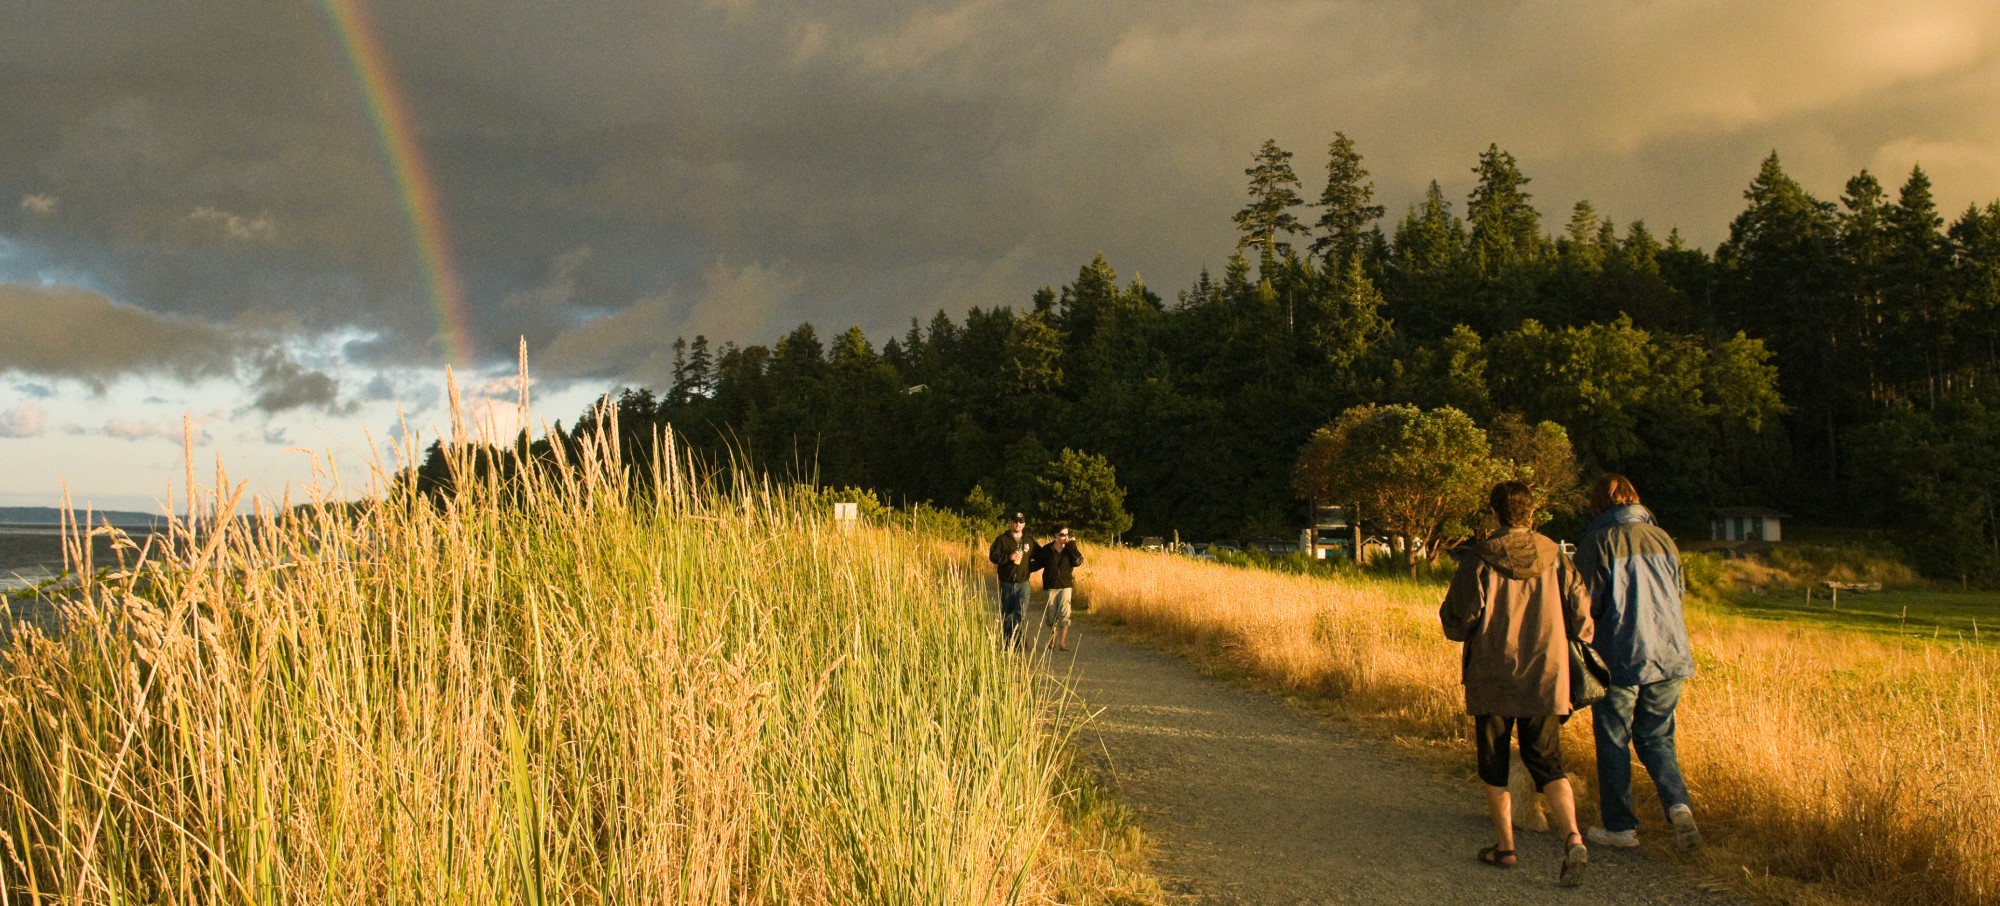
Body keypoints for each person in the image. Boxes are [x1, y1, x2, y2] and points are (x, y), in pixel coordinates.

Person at [1439, 481, 1594, 885]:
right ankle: (1573, 837)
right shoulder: (1557, 556)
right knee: (1547, 762)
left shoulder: (1480, 557)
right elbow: (1582, 619)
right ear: (1532, 513)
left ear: (1494, 514)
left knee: (1493, 764)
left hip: (1492, 676)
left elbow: (1458, 620)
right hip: (1546, 676)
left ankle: (1506, 847)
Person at [1573, 474, 1701, 852]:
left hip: (1620, 655)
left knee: (1614, 737)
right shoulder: (1664, 539)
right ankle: (1678, 807)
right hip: (1670, 653)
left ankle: (1621, 827)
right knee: (1657, 736)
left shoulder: (1597, 541)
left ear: (1598, 504)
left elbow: (1585, 605)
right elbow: (1678, 593)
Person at [988, 513, 1039, 647]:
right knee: (1008, 614)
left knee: (1020, 613)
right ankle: (1007, 641)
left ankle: (1019, 641)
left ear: (1024, 524)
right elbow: (993, 556)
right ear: (1011, 523)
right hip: (1006, 583)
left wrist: (1030, 568)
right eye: (1015, 521)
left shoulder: (1029, 540)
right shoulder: (1002, 539)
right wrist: (1008, 557)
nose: (1018, 524)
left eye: (1021, 522)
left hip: (1023, 583)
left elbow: (1041, 556)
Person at [1034, 526, 1083, 650]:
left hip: (1065, 586)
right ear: (1056, 535)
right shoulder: (1047, 549)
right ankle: (1053, 638)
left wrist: (1072, 545)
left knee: (1065, 614)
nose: (1065, 537)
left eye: (1067, 534)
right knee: (1051, 617)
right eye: (1062, 534)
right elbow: (1037, 563)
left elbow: (1077, 561)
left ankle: (1062, 643)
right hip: (1050, 586)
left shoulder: (1070, 549)